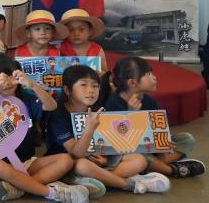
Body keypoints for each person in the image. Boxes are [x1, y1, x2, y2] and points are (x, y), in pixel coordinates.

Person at [0, 53, 90, 203]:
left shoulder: (26, 98)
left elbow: (52, 106)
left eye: (11, 76)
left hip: (27, 162)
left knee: (66, 160)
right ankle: (51, 193)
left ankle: (19, 187)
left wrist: (33, 85)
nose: (7, 83)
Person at [46, 65, 170, 194]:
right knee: (82, 165)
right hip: (69, 163)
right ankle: (128, 184)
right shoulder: (58, 115)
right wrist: (89, 130)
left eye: (95, 86)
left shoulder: (98, 110)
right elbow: (76, 154)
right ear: (67, 90)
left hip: (95, 163)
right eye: (83, 85)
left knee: (139, 159)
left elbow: (106, 143)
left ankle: (98, 180)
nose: (91, 90)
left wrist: (104, 159)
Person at [101, 57, 205, 178]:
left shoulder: (148, 100)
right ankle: (171, 170)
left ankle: (151, 167)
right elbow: (120, 143)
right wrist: (132, 114)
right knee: (139, 154)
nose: (154, 77)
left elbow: (158, 127)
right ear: (132, 83)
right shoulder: (113, 103)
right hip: (130, 151)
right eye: (148, 74)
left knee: (187, 139)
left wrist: (164, 140)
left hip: (151, 148)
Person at [58, 9, 108, 73]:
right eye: (71, 30)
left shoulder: (97, 50)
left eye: (81, 29)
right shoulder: (59, 48)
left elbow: (105, 73)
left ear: (90, 31)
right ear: (65, 32)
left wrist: (95, 72)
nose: (76, 33)